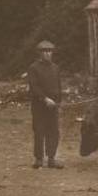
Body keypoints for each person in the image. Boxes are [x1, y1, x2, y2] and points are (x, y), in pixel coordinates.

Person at [28, 40, 63, 169]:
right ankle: (38, 159)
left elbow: (59, 86)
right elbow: (34, 87)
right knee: (39, 131)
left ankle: (51, 159)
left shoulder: (56, 68)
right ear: (40, 54)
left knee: (53, 132)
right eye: (45, 51)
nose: (48, 54)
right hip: (39, 106)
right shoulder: (33, 68)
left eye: (50, 51)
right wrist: (44, 99)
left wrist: (58, 102)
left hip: (53, 107)